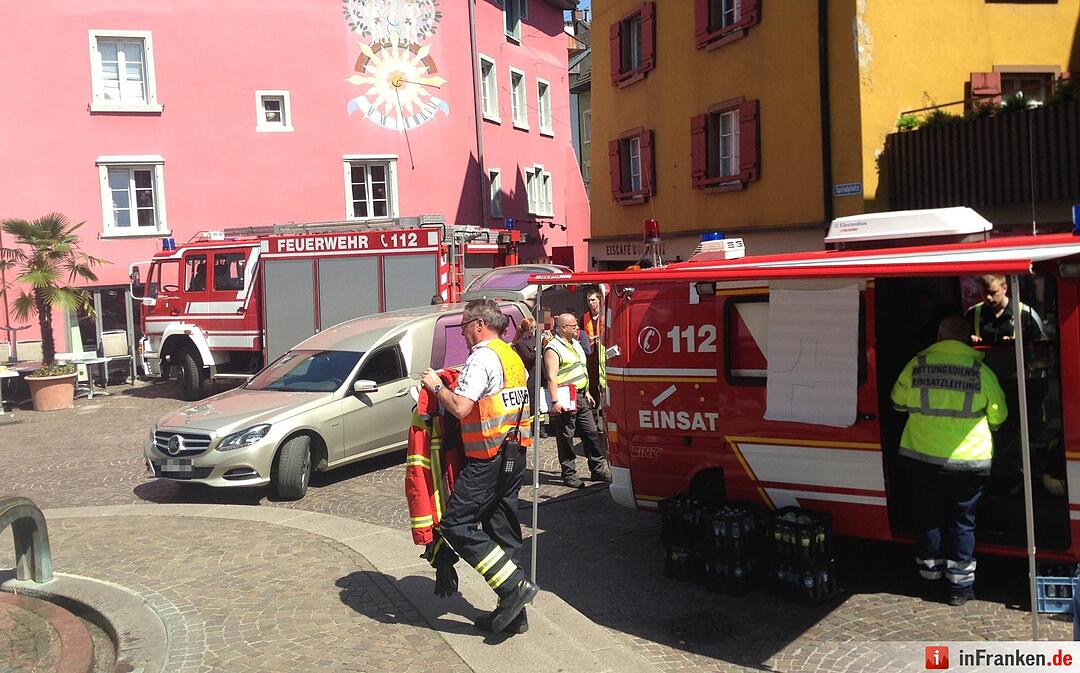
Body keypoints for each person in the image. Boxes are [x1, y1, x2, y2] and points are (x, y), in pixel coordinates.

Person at [420, 299, 538, 634]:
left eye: (463, 328)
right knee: (504, 530)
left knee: (456, 523)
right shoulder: (511, 356)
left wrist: (436, 386)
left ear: (478, 325)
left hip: (486, 457)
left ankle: (513, 587)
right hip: (514, 456)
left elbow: (459, 407)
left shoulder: (482, 357)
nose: (463, 334)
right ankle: (515, 615)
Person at [891, 316, 1007, 606]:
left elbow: (897, 402)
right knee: (962, 523)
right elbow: (999, 416)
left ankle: (930, 584)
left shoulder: (916, 364)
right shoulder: (981, 370)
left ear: (939, 337)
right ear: (968, 339)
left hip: (922, 457)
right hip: (969, 461)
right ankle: (959, 590)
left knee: (930, 520)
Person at [544, 312, 611, 489]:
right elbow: (551, 376)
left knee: (591, 433)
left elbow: (582, 368)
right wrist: (555, 401)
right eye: (574, 326)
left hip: (581, 396)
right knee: (566, 437)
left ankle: (597, 468)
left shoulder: (575, 343)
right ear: (563, 328)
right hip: (566, 398)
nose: (577, 328)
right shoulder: (553, 348)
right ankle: (569, 474)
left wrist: (587, 391)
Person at [964, 274, 1046, 346]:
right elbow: (959, 343)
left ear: (1005, 288)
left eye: (993, 292)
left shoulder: (1026, 314)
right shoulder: (972, 314)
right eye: (984, 293)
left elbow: (1042, 346)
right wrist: (969, 340)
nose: (988, 297)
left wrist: (1018, 342)